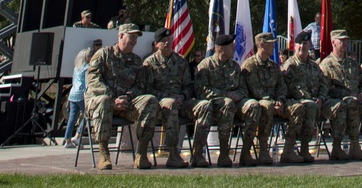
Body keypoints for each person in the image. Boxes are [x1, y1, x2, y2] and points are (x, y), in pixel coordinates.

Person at [85, 23, 159, 172]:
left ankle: (141, 153)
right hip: (103, 103)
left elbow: (140, 85)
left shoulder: (137, 61)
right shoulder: (103, 54)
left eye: (136, 38)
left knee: (150, 100)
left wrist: (127, 98)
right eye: (131, 37)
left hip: (126, 105)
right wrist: (113, 99)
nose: (134, 41)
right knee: (104, 100)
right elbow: (93, 79)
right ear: (120, 36)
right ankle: (103, 153)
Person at [192, 32, 261, 167]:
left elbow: (243, 88)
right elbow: (201, 90)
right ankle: (223, 153)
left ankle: (246, 152)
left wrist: (238, 95)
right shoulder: (205, 65)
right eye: (231, 46)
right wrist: (225, 95)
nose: (234, 48)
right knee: (227, 103)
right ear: (220, 49)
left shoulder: (234, 66)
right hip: (214, 103)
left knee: (253, 105)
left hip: (234, 102)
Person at [143, 27, 196, 168]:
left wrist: (183, 95)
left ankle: (198, 153)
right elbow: (147, 89)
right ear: (157, 44)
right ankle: (173, 153)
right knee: (171, 104)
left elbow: (189, 85)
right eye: (163, 41)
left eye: (169, 40)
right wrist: (168, 96)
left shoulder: (180, 61)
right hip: (161, 104)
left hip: (181, 101)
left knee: (203, 107)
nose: (167, 43)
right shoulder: (149, 63)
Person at [320, 27, 362, 161]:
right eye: (342, 41)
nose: (345, 44)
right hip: (337, 101)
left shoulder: (352, 63)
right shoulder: (326, 65)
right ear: (333, 42)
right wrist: (345, 94)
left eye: (346, 41)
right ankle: (340, 147)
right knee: (350, 103)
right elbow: (324, 88)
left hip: (356, 100)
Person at [242, 31, 296, 165]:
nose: (273, 47)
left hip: (276, 103)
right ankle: (263, 149)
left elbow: (282, 86)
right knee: (267, 105)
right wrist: (273, 102)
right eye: (271, 44)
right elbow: (255, 90)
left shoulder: (273, 66)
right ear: (261, 45)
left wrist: (281, 99)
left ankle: (289, 150)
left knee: (298, 108)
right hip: (257, 103)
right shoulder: (250, 65)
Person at [282, 30, 328, 162]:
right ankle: (288, 150)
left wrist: (321, 98)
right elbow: (292, 86)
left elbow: (324, 83)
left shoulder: (314, 66)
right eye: (299, 44)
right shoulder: (290, 65)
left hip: (312, 102)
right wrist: (309, 98)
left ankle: (304, 148)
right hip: (293, 101)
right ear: (295, 46)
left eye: (305, 43)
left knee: (312, 107)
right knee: (306, 107)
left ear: (310, 45)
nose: (302, 47)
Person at [63, 43, 96, 146]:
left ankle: (67, 139)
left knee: (72, 117)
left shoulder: (76, 67)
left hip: (73, 94)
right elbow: (87, 82)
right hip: (82, 94)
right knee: (87, 115)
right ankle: (77, 136)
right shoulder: (87, 68)